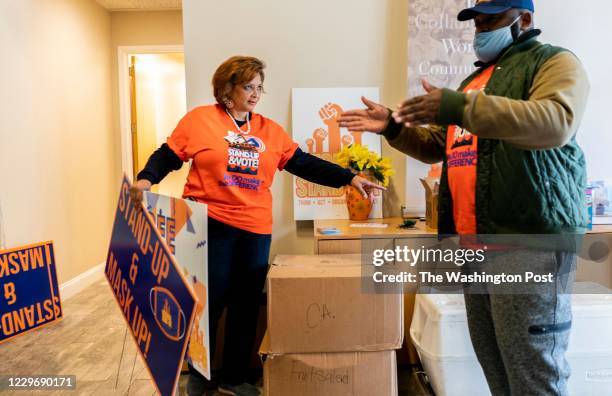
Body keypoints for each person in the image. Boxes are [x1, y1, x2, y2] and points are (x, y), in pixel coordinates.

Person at [338, 0, 589, 394]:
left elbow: (555, 122)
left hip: (528, 241)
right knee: (496, 367)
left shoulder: (553, 63)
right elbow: (441, 144)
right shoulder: (476, 81)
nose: (480, 31)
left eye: (491, 20)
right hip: (475, 246)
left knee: (532, 374)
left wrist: (458, 105)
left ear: (524, 20)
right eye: (476, 23)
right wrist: (392, 126)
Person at [130, 56, 383, 396]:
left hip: (254, 226)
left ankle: (235, 377)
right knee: (209, 301)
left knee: (246, 305)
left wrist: (350, 178)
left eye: (259, 87)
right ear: (226, 89)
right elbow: (168, 154)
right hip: (208, 224)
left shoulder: (269, 130)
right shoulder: (199, 121)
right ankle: (200, 375)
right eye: (248, 86)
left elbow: (304, 164)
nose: (255, 93)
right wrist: (146, 179)